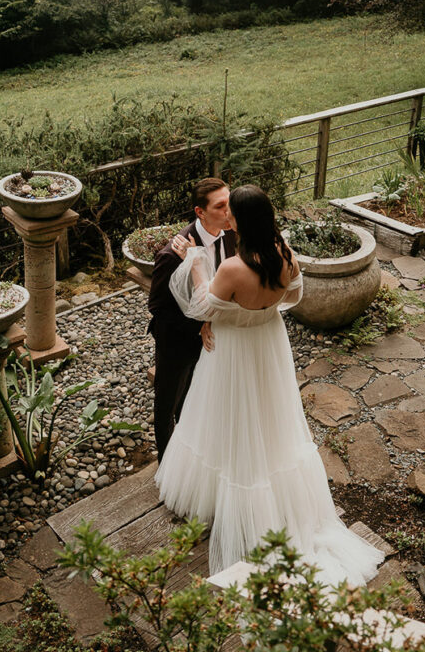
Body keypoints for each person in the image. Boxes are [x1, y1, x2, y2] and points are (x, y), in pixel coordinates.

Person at [155, 184, 384, 583]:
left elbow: (201, 305)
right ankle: (273, 500)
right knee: (269, 417)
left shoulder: (231, 269)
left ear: (242, 220)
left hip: (234, 352)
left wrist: (194, 262)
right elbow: (292, 296)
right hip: (268, 344)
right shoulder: (286, 256)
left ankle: (237, 508)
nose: (227, 217)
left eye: (232, 212)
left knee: (225, 415)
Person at [147, 177, 236, 461]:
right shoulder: (172, 255)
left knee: (197, 399)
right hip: (178, 342)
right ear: (200, 212)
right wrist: (201, 324)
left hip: (216, 339)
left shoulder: (233, 234)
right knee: (167, 405)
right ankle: (166, 465)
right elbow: (158, 308)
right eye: (220, 206)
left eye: (229, 203)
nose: (228, 211)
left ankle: (192, 459)